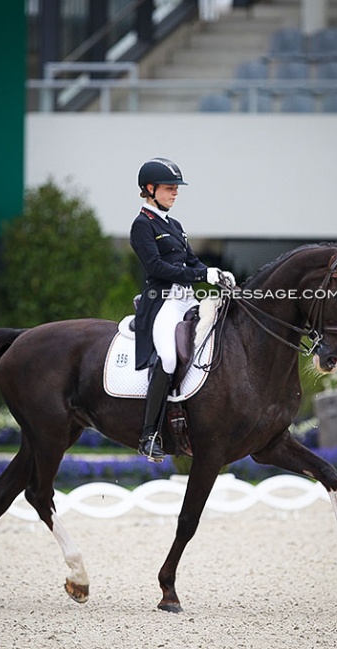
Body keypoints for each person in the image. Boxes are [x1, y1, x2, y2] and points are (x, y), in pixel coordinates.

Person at [130, 157, 236, 461]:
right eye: (169, 188)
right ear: (149, 189)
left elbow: (191, 261)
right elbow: (157, 266)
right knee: (167, 357)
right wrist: (202, 275)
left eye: (176, 188)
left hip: (187, 299)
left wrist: (214, 273)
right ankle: (149, 435)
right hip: (162, 301)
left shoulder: (173, 225)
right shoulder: (142, 226)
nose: (175, 192)